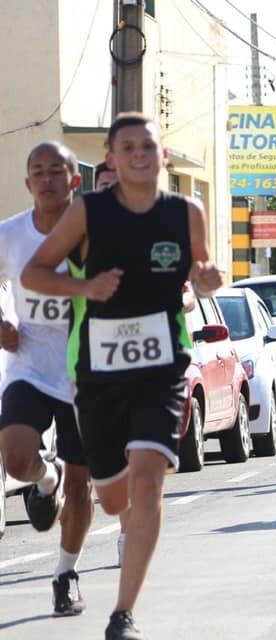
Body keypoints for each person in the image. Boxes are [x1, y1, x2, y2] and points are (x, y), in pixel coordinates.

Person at [22, 112, 224, 640]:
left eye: (148, 146)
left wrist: (206, 278)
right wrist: (85, 289)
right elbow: (34, 272)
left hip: (164, 365)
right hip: (98, 371)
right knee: (114, 497)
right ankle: (113, 506)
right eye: (127, 147)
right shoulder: (88, 212)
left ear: (163, 155)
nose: (139, 155)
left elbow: (200, 272)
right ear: (111, 157)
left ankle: (122, 613)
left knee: (149, 479)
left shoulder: (187, 211)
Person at [0, 142, 93, 618]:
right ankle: (43, 476)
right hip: (30, 364)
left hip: (87, 369)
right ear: (27, 183)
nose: (47, 178)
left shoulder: (97, 232)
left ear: (74, 180)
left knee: (81, 485)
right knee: (16, 457)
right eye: (37, 171)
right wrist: (2, 320)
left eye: (56, 171)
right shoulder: (10, 234)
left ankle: (65, 574)